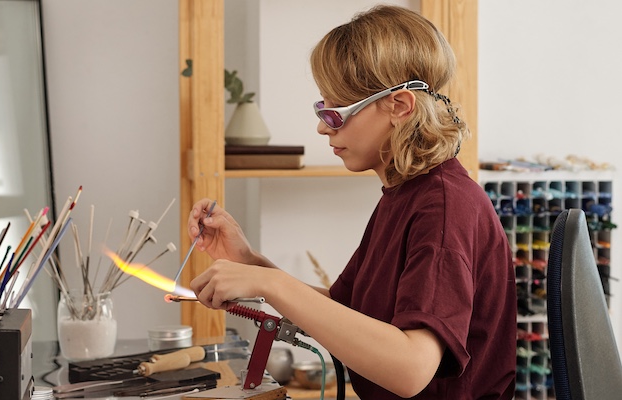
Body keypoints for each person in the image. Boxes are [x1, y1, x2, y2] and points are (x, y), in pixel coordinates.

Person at [187, 5, 516, 399]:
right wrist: (251, 262)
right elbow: (343, 315)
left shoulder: (444, 210)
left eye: (336, 113)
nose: (323, 126)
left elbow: (411, 369)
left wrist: (270, 283)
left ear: (399, 106)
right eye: (321, 109)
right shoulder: (406, 194)